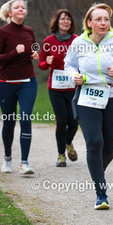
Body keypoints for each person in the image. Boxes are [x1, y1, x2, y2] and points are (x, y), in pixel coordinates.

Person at [63, 3, 113, 209]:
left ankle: (97, 171)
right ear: (89, 23)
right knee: (94, 142)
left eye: (106, 19)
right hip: (87, 96)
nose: (103, 23)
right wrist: (74, 76)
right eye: (98, 19)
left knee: (109, 145)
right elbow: (68, 65)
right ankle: (101, 193)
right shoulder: (79, 42)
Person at [0, 0, 39, 175]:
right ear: (10, 12)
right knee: (9, 121)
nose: (21, 9)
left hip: (28, 82)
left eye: (23, 7)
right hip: (6, 83)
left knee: (25, 119)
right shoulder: (2, 32)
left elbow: (34, 46)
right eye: (17, 7)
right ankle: (8, 158)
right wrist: (13, 52)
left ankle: (24, 162)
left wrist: (35, 54)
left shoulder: (29, 30)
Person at [38, 9, 79, 167]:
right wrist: (47, 62)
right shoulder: (49, 41)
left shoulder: (77, 40)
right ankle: (61, 155)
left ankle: (68, 142)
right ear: (57, 22)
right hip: (56, 88)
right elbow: (41, 64)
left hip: (73, 87)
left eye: (68, 19)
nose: (66, 22)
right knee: (62, 121)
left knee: (74, 121)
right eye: (63, 19)